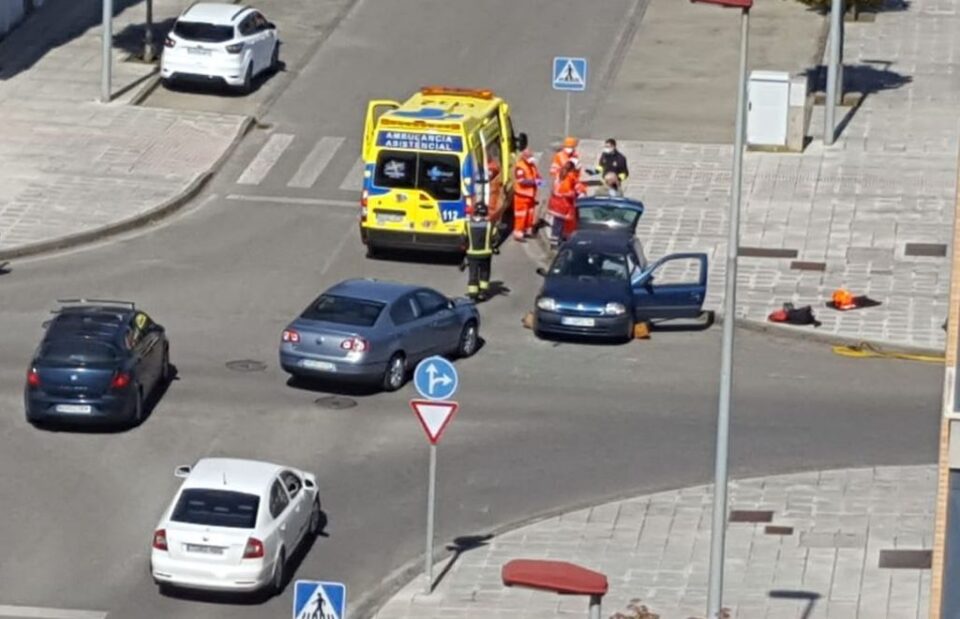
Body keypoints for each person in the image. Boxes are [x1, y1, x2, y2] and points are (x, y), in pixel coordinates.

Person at [464, 202, 498, 301]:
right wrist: (494, 247)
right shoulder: (490, 225)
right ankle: (483, 293)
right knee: (484, 272)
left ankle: (473, 294)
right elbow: (495, 238)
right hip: (485, 255)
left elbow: (463, 239)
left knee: (473, 273)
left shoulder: (468, 225)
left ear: (475, 212)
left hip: (472, 254)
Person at [548, 161, 585, 247]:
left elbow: (555, 189)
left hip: (555, 204)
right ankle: (557, 242)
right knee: (560, 225)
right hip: (563, 205)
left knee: (556, 224)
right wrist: (578, 193)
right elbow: (571, 191)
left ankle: (554, 242)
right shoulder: (570, 177)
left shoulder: (559, 174)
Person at [512, 148, 542, 241]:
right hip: (522, 196)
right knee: (521, 216)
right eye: (529, 157)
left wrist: (540, 182)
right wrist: (534, 182)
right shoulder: (520, 167)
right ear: (524, 157)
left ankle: (526, 230)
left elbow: (536, 175)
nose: (531, 158)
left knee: (529, 214)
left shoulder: (531, 165)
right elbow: (521, 181)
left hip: (530, 196)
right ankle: (518, 233)